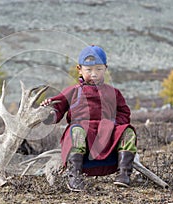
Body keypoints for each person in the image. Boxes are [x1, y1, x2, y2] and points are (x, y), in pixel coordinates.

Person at [40, 45, 137, 192]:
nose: (94, 74)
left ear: (105, 68)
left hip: (107, 133)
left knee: (128, 132)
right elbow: (57, 109)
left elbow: (124, 113)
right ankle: (75, 175)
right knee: (77, 131)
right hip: (82, 133)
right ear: (79, 68)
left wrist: (114, 124)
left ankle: (123, 173)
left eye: (99, 69)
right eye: (89, 70)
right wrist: (48, 113)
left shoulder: (113, 92)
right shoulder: (73, 91)